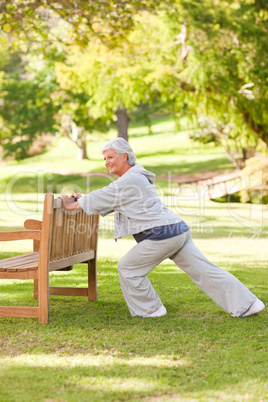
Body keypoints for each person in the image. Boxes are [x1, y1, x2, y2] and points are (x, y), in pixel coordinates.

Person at [59, 138, 265, 318]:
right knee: (206, 270)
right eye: (104, 159)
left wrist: (71, 204)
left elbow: (105, 195)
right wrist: (82, 200)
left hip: (163, 235)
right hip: (177, 231)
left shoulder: (130, 179)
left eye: (110, 157)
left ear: (124, 156)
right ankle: (248, 304)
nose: (106, 163)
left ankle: (150, 310)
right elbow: (110, 198)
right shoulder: (134, 178)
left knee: (128, 268)